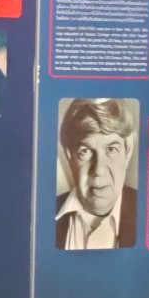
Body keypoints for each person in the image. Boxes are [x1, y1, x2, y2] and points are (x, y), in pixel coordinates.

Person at [56, 98, 138, 250]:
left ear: (127, 153)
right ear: (69, 156)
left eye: (111, 149)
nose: (99, 170)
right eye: (85, 151)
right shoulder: (42, 214)